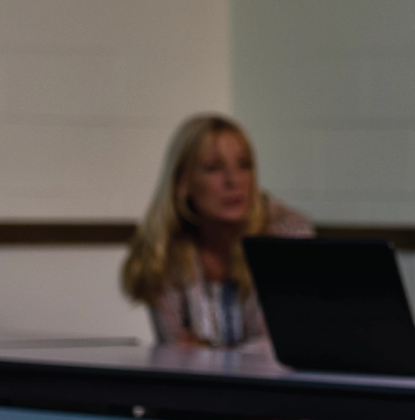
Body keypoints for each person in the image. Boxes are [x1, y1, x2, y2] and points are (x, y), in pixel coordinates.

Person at [122, 114, 314, 349]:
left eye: (244, 165)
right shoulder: (164, 249)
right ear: (182, 183)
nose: (233, 180)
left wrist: (209, 351)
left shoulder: (286, 237)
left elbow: (280, 347)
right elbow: (176, 351)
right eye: (213, 168)